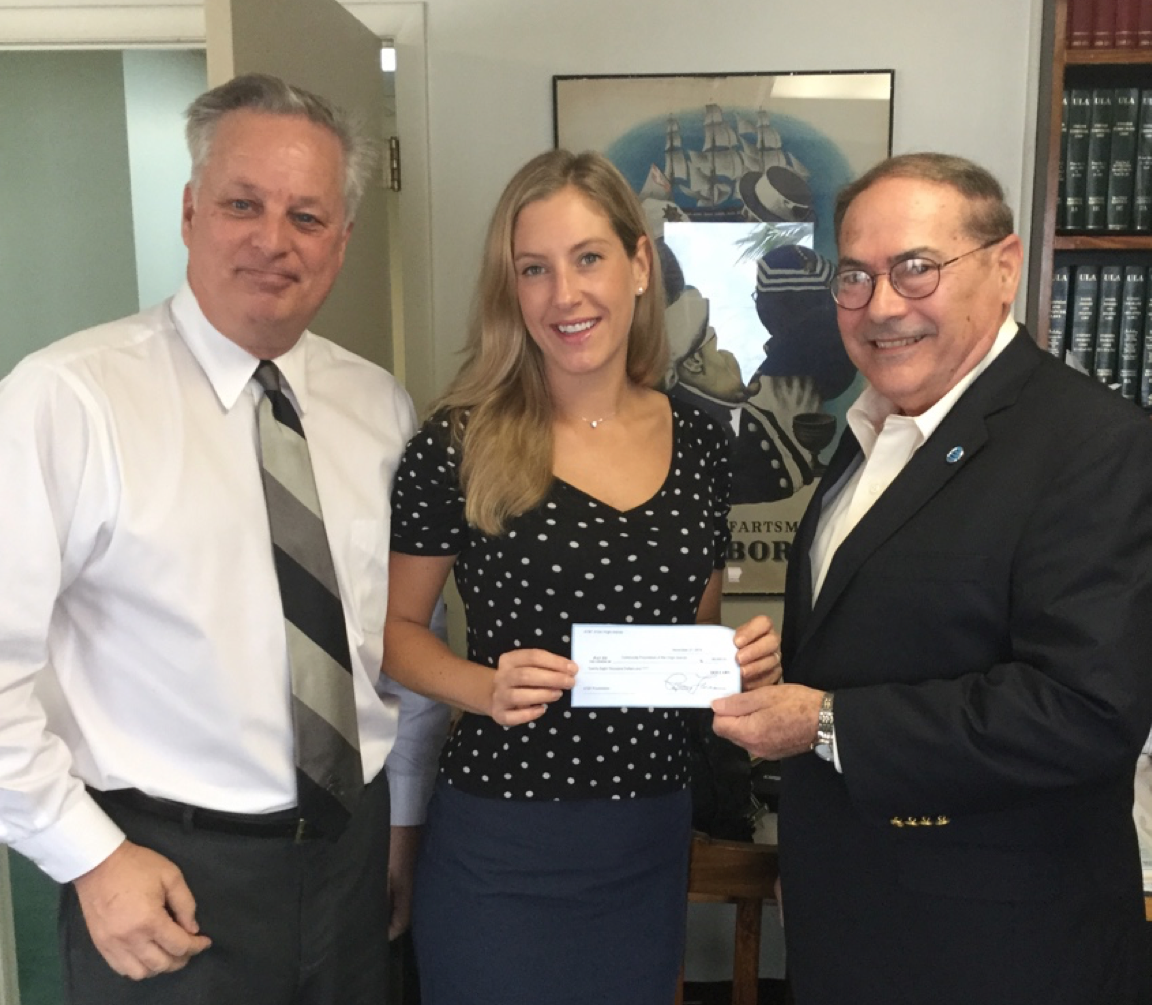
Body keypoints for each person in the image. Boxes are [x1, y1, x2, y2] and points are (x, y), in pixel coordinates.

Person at [0, 73, 448, 1005]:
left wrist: (400, 822)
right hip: (165, 874)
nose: (272, 240)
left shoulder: (380, 406)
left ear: (343, 240)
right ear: (192, 210)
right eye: (243, 203)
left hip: (353, 859)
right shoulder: (67, 399)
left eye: (308, 215)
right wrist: (87, 856)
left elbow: (393, 648)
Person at [712, 152, 1152, 1004]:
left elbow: (1087, 709)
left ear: (1004, 267)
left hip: (1001, 951)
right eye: (855, 276)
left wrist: (824, 721)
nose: (881, 305)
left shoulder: (1096, 445)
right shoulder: (870, 431)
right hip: (856, 916)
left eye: (916, 268)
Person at [382, 149, 782, 1005]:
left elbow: (692, 635)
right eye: (535, 269)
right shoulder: (457, 442)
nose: (565, 295)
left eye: (588, 258)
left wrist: (734, 666)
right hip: (502, 837)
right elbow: (398, 636)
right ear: (512, 290)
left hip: (646, 829)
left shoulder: (705, 445)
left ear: (640, 265)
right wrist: (482, 686)